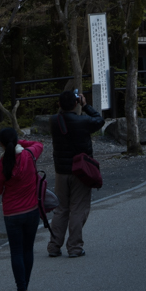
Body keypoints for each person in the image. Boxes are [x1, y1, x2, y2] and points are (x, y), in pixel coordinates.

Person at [47, 88, 104, 257]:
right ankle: (74, 247)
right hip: (81, 171)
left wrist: (66, 105)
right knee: (78, 208)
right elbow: (99, 120)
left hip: (61, 171)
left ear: (59, 104)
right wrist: (85, 106)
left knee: (61, 209)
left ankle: (54, 246)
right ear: (76, 103)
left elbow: (62, 113)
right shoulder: (83, 121)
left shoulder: (54, 121)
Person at [0, 127, 44, 291]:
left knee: (16, 251)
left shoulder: (1, 165)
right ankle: (25, 288)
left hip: (12, 213)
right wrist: (18, 142)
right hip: (31, 210)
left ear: (0, 144)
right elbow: (39, 144)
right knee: (27, 249)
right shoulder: (29, 156)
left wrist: (9, 145)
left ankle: (21, 290)